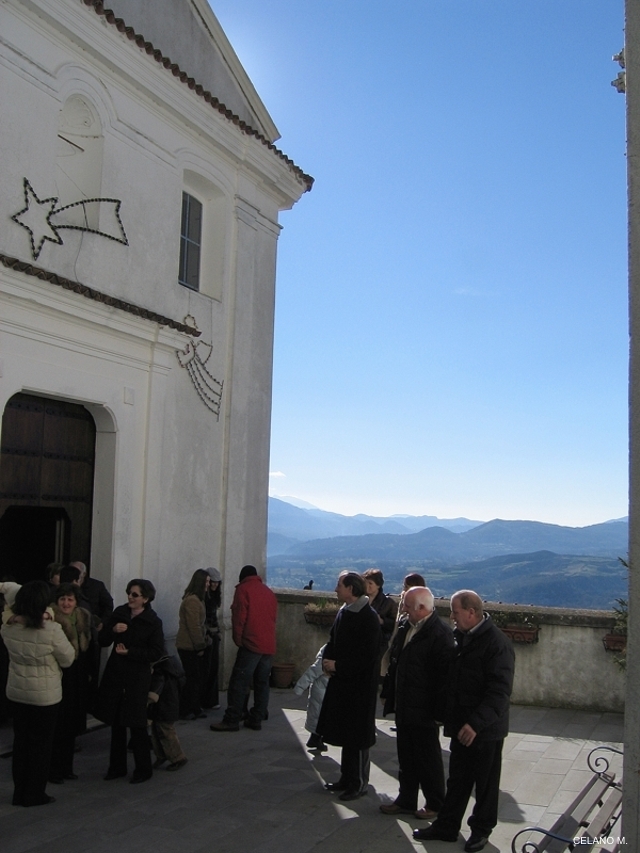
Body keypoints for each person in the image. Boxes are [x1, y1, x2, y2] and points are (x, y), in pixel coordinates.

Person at [413, 590, 515, 853]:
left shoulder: (496, 644)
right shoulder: (462, 638)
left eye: (456, 612)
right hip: (462, 725)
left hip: (485, 731)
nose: (452, 618)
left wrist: (476, 724)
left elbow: (499, 692)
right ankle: (447, 827)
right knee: (458, 780)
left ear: (471, 612)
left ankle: (480, 831)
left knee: (485, 785)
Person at [380, 586, 455, 819]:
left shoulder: (439, 634)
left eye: (407, 606)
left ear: (422, 608)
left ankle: (435, 803)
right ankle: (406, 799)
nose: (403, 610)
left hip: (424, 708)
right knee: (406, 756)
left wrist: (438, 713)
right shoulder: (405, 626)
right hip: (405, 703)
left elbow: (444, 678)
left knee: (428, 758)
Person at [1, 580, 75, 806]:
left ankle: (19, 791)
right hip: (45, 696)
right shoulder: (52, 630)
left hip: (17, 692)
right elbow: (68, 658)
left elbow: (8, 590)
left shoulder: (8, 627)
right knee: (41, 745)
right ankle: (34, 793)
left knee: (21, 742)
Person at [317, 571, 382, 801]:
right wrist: (328, 661)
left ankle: (359, 783)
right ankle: (347, 778)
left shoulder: (368, 617)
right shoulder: (345, 612)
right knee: (347, 733)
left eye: (339, 585)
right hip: (343, 683)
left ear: (351, 589)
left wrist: (339, 665)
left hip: (360, 687)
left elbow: (366, 657)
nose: (336, 589)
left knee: (359, 736)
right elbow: (333, 640)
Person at [95, 578, 164, 784]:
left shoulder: (153, 621)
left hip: (137, 677)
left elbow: (155, 652)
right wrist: (113, 630)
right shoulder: (120, 613)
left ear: (146, 598)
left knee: (136, 723)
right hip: (116, 674)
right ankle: (117, 767)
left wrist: (130, 652)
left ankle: (143, 769)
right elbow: (102, 639)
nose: (130, 598)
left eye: (135, 595)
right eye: (129, 593)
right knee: (116, 723)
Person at [209, 565, 277, 732]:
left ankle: (232, 719)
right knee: (262, 682)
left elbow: (239, 618)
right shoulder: (268, 592)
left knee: (239, 682)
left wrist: (238, 640)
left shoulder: (243, 590)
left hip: (251, 643)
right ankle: (257, 717)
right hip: (268, 645)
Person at [49, 583, 93, 783]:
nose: (66, 603)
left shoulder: (83, 616)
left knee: (71, 724)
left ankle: (67, 767)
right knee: (58, 725)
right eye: (62, 599)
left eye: (70, 599)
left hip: (78, 674)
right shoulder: (50, 618)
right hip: (59, 674)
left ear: (76, 601)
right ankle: (54, 769)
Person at [176, 569, 211, 720]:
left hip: (191, 645)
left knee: (196, 678)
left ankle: (194, 707)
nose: (208, 585)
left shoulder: (197, 599)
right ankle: (185, 708)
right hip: (188, 646)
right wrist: (200, 646)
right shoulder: (192, 601)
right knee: (192, 678)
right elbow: (194, 626)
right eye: (207, 582)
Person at [148, 653, 188, 771]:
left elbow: (155, 692)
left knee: (165, 731)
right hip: (167, 705)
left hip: (164, 706)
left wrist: (147, 702)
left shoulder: (159, 670)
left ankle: (178, 757)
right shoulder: (169, 666)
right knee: (157, 730)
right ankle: (162, 755)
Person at [293, 644, 329, 751]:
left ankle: (316, 739)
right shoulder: (327, 653)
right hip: (321, 690)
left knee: (321, 716)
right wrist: (300, 687)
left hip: (325, 689)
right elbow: (313, 671)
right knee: (318, 715)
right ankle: (315, 739)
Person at [69, 561, 114, 626]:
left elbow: (108, 604)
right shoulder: (66, 586)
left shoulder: (97, 586)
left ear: (83, 574)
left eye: (77, 572)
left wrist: (102, 622)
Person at [202, 567, 222, 710]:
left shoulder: (212, 597)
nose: (214, 584)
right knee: (207, 669)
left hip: (213, 635)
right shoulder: (205, 598)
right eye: (212, 582)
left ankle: (210, 700)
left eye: (217, 582)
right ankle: (207, 700)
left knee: (213, 668)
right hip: (207, 636)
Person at [363, 568, 398, 649]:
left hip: (379, 644)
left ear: (378, 585)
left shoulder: (388, 603)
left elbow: (395, 624)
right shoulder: (360, 600)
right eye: (365, 583)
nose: (367, 586)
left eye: (370, 583)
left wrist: (382, 621)